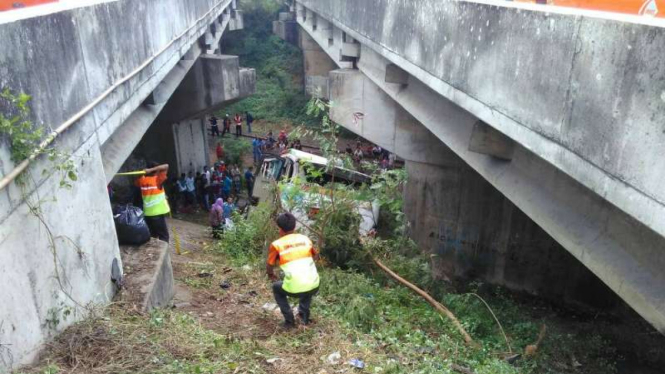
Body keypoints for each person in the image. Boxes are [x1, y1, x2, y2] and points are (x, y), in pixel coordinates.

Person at [267, 212, 320, 328]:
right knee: (307, 284)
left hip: (296, 288)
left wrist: (271, 275)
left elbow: (270, 264)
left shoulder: (277, 244)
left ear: (279, 229)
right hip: (315, 284)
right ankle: (304, 317)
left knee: (276, 288)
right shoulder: (305, 239)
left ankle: (289, 321)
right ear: (294, 226)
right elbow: (316, 256)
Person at [135, 162, 171, 242]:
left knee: (153, 236)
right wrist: (151, 170)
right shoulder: (157, 180)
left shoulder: (142, 180)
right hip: (157, 213)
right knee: (164, 237)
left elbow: (137, 182)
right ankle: (163, 253)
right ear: (156, 171)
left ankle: (153, 253)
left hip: (147, 213)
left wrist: (144, 172)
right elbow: (166, 166)